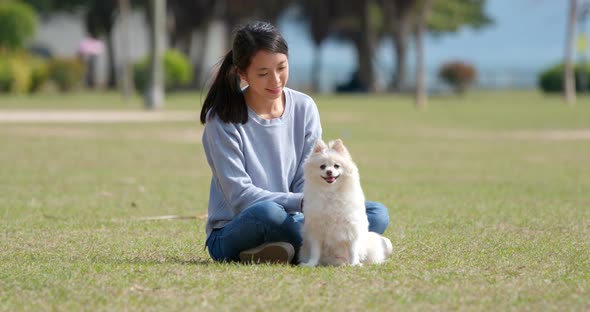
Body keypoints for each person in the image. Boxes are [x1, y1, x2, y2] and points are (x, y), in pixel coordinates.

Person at [200, 21, 390, 264]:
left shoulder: (304, 107)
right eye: (263, 73)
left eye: (282, 67)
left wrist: (316, 207)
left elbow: (308, 175)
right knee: (268, 214)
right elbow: (240, 196)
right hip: (237, 227)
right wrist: (302, 203)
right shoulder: (222, 119)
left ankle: (277, 249)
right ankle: (358, 246)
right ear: (242, 74)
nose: (276, 80)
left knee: (376, 213)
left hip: (302, 213)